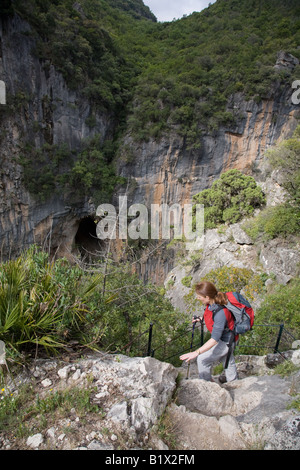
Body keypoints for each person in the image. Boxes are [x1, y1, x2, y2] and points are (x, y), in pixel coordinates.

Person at [180, 281, 238, 383]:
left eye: (199, 296)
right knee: (228, 361)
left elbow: (214, 339)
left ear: (207, 297)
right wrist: (201, 319)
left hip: (226, 341)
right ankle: (235, 384)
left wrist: (196, 352)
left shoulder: (220, 312)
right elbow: (214, 320)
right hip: (227, 338)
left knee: (202, 359)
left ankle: (207, 386)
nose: (198, 298)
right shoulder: (211, 305)